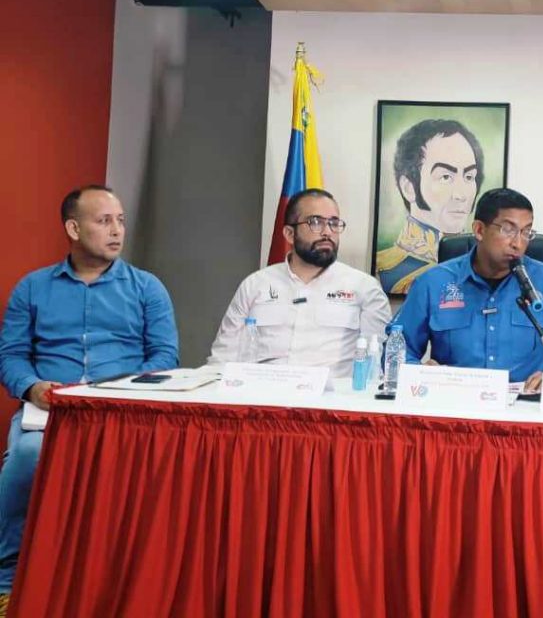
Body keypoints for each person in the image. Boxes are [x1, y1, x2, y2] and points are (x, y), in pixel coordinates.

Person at [0, 186, 178, 607]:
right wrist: (33, 387)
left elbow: (165, 357)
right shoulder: (33, 288)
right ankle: (7, 581)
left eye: (120, 221)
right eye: (104, 221)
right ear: (73, 229)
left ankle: (120, 583)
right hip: (51, 412)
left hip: (123, 413)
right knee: (27, 456)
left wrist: (122, 392)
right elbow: (11, 356)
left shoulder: (147, 288)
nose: (117, 230)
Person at [393, 188, 543, 390]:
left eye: (526, 232)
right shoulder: (432, 283)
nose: (518, 243)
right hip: (455, 401)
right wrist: (421, 374)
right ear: (479, 230)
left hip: (526, 405)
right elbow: (396, 349)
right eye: (508, 230)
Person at [208, 189, 390, 375]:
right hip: (263, 389)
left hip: (331, 391)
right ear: (289, 233)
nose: (327, 232)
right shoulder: (255, 285)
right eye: (316, 222)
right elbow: (223, 358)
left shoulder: (364, 288)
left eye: (334, 223)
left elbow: (375, 367)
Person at [376, 119, 485, 294]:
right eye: (445, 177)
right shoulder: (382, 271)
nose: (461, 195)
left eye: (469, 177)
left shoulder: (487, 268)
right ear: (409, 187)